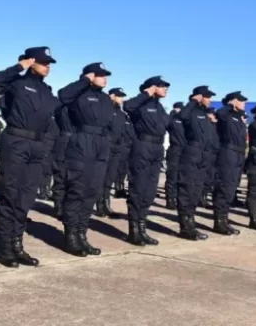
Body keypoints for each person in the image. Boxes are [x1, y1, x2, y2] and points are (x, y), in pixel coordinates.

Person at [0, 46, 58, 268]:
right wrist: (20, 66)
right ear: (31, 61)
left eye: (49, 63)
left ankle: (17, 245)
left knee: (26, 198)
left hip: (37, 146)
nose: (47, 66)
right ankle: (5, 247)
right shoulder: (17, 84)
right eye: (43, 62)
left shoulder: (47, 91)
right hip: (17, 141)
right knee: (10, 194)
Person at [58, 62, 115, 256]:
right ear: (90, 76)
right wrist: (84, 81)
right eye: (100, 75)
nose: (105, 78)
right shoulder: (78, 93)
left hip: (101, 144)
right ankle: (71, 236)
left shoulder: (106, 98)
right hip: (82, 141)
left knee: (92, 191)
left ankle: (82, 234)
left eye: (105, 75)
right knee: (77, 190)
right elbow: (63, 96)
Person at [124, 75, 171, 246]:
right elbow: (128, 106)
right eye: (161, 85)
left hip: (157, 149)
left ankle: (142, 228)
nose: (165, 88)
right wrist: (146, 93)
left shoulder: (160, 107)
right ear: (152, 87)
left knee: (149, 191)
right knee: (138, 188)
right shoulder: (141, 104)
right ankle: (134, 231)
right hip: (142, 147)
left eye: (166, 86)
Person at [175, 86, 216, 240]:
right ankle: (185, 227)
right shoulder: (190, 111)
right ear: (199, 97)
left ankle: (191, 224)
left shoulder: (204, 114)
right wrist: (192, 101)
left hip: (204, 155)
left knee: (196, 191)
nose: (210, 99)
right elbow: (182, 116)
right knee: (187, 189)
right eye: (207, 96)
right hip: (191, 153)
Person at [212, 92, 248, 235]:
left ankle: (225, 221)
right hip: (227, 153)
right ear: (233, 101)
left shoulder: (238, 117)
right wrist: (229, 105)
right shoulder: (225, 114)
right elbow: (220, 113)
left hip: (238, 154)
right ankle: (219, 223)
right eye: (241, 101)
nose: (244, 103)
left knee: (231, 188)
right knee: (224, 187)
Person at [96, 87, 128, 219]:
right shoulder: (104, 109)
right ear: (112, 96)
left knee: (110, 177)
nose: (122, 99)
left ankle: (106, 203)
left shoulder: (121, 114)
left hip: (117, 148)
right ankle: (100, 205)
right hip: (106, 145)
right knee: (101, 177)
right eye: (119, 96)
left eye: (122, 96)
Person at [51, 105, 73, 219]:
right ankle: (59, 205)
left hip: (75, 142)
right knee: (60, 176)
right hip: (64, 141)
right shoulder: (62, 107)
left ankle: (65, 206)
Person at [164, 102, 186, 210]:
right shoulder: (173, 120)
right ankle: (170, 199)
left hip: (185, 151)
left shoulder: (186, 121)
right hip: (175, 149)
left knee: (182, 177)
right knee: (172, 176)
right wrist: (173, 113)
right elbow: (166, 123)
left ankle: (178, 198)